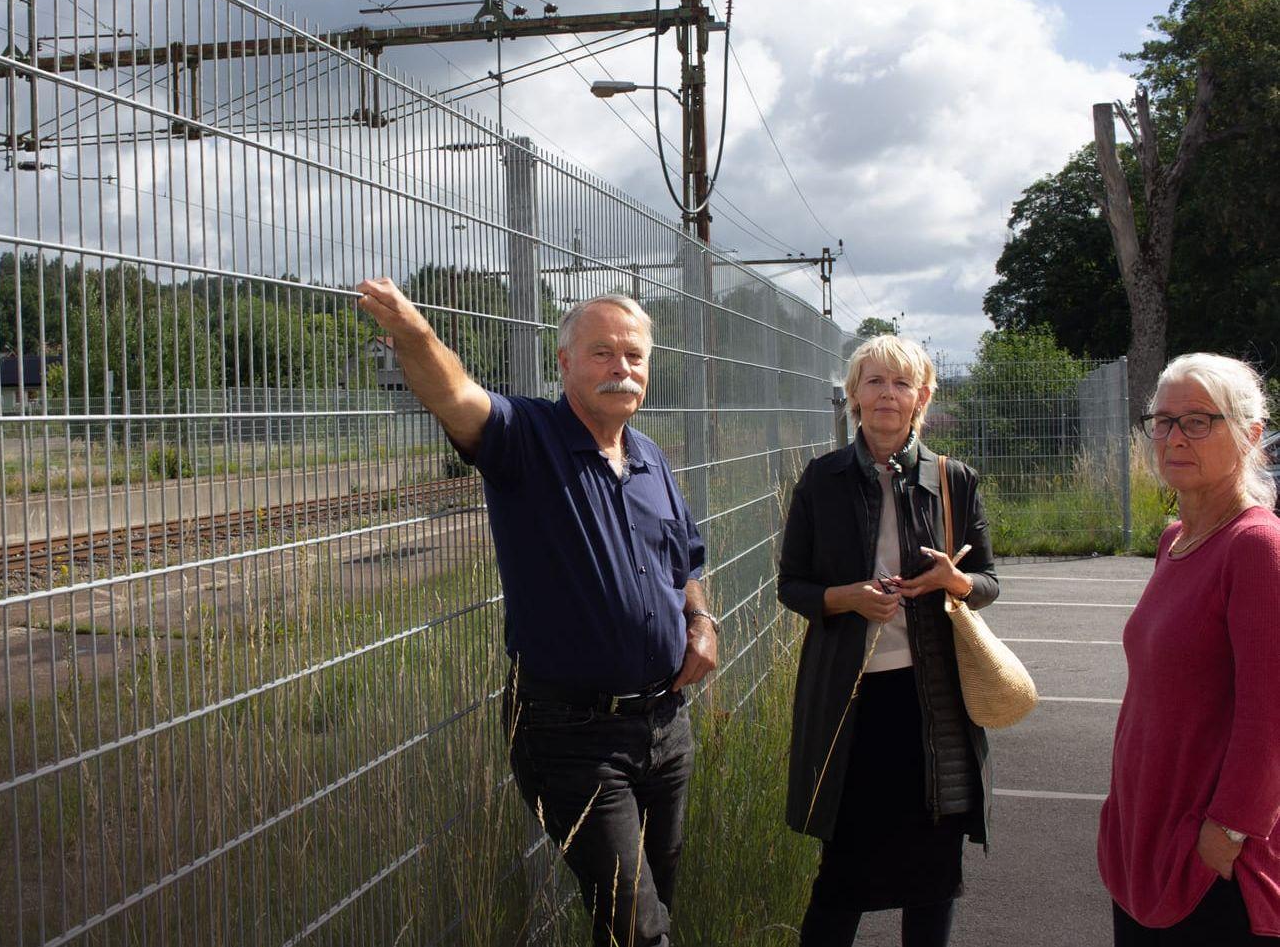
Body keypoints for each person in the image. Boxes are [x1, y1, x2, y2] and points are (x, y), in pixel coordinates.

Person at [355, 278, 717, 947]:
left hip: (665, 726)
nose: (622, 367)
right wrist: (417, 337)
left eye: (634, 356)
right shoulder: (529, 438)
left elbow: (686, 560)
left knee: (649, 902)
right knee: (641, 927)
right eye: (603, 352)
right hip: (571, 734)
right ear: (566, 363)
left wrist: (701, 620)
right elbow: (458, 399)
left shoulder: (650, 459)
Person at [778, 335, 999, 947]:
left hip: (934, 702)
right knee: (842, 870)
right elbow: (791, 585)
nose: (887, 395)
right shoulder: (821, 480)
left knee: (933, 871)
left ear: (923, 397)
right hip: (849, 703)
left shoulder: (956, 480)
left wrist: (956, 580)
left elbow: (988, 582)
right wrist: (846, 597)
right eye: (874, 382)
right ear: (853, 395)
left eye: (902, 384)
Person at [1099, 353, 1280, 946]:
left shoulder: (1255, 546)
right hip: (1145, 834)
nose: (1175, 437)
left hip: (1211, 864)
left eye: (1198, 421)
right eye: (1163, 420)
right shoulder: (1175, 538)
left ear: (1251, 436)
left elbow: (1269, 716)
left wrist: (1225, 836)